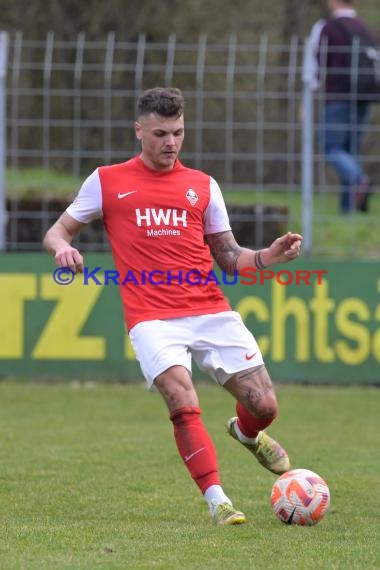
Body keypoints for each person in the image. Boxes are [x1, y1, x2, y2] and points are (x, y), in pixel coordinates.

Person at [43, 86, 303, 526]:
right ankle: (219, 501)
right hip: (152, 318)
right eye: (161, 133)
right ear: (138, 130)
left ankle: (245, 432)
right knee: (182, 397)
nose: (171, 142)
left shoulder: (203, 186)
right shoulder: (106, 181)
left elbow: (229, 258)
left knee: (266, 406)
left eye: (178, 133)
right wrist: (61, 249)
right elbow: (57, 231)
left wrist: (267, 257)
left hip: (210, 310)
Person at [308, 0, 376, 213]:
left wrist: (310, 92)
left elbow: (318, 62)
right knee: (350, 152)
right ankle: (347, 211)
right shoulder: (365, 28)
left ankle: (360, 180)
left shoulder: (328, 28)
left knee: (332, 147)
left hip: (338, 95)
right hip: (365, 97)